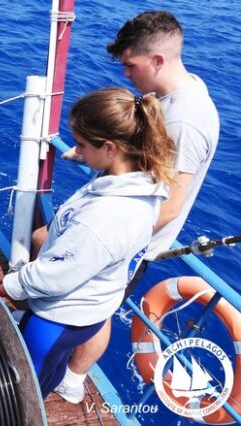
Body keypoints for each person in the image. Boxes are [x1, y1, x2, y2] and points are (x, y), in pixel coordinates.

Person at [52, 11, 219, 404]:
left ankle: (73, 381)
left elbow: (170, 205)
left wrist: (111, 240)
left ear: (158, 60)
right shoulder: (169, 97)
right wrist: (90, 154)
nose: (126, 75)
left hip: (126, 240)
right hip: (110, 224)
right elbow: (146, 159)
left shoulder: (185, 120)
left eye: (131, 65)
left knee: (96, 309)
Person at [0, 86, 174, 399]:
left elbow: (55, 276)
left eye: (81, 144)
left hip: (56, 319)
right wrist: (86, 154)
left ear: (110, 148)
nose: (76, 150)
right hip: (89, 313)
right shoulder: (142, 184)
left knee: (21, 387)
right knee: (53, 366)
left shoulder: (102, 218)